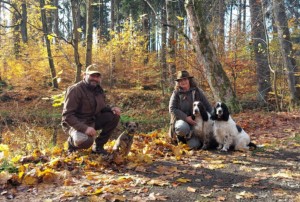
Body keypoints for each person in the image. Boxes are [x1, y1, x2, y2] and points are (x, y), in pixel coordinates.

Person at [61, 64, 121, 155]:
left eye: (97, 77)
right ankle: (71, 143)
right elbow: (67, 116)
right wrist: (85, 128)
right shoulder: (75, 90)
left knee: (114, 116)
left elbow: (102, 107)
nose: (95, 79)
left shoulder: (98, 89)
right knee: (85, 141)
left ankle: (98, 147)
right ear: (84, 75)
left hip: (91, 121)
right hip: (75, 123)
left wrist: (112, 108)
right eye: (92, 76)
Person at [168, 70, 212, 149]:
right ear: (178, 82)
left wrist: (213, 118)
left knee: (195, 146)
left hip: (195, 123)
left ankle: (190, 137)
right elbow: (172, 108)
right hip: (182, 121)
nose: (183, 82)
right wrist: (186, 118)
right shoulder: (176, 93)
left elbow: (207, 106)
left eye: (185, 79)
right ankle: (180, 138)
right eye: (180, 80)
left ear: (189, 80)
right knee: (181, 127)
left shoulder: (196, 91)